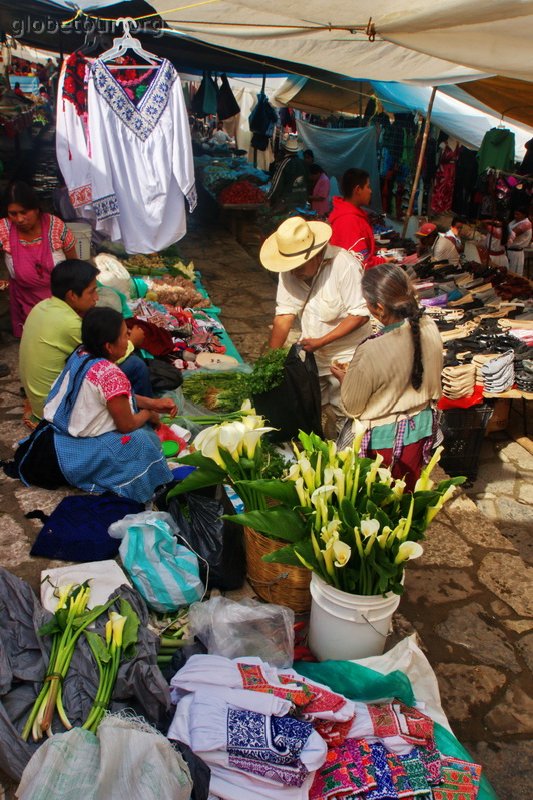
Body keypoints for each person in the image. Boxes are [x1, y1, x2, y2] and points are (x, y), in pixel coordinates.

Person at [17, 308, 175, 502]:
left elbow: (119, 399)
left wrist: (153, 403)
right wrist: (149, 412)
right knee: (142, 441)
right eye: (125, 335)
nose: (128, 339)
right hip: (74, 449)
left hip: (55, 434)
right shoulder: (110, 374)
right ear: (109, 346)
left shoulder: (82, 353)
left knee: (141, 431)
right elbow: (126, 425)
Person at [332, 264, 443, 490]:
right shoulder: (429, 325)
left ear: (380, 307)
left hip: (384, 444)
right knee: (405, 497)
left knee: (379, 506)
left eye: (368, 303)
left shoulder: (372, 350)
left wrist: (345, 379)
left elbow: (352, 407)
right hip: (420, 430)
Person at [261, 216, 370, 430]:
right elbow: (284, 315)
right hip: (314, 356)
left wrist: (323, 340)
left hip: (347, 355)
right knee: (311, 409)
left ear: (317, 255)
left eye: (299, 266)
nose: (293, 272)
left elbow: (360, 314)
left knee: (346, 413)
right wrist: (269, 362)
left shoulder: (344, 265)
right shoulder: (289, 271)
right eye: (290, 266)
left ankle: (344, 454)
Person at [20, 260, 154, 422]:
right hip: (54, 408)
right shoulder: (70, 324)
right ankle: (141, 419)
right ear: (72, 295)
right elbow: (111, 355)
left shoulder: (41, 306)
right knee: (135, 365)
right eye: (91, 292)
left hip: (40, 399)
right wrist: (132, 341)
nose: (96, 298)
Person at [0, 182, 77, 336]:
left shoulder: (55, 226)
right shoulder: (4, 228)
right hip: (24, 301)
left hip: (59, 301)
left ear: (36, 209)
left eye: (24, 212)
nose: (19, 219)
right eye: (13, 214)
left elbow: (73, 264)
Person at [329, 168, 393, 269]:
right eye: (368, 187)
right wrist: (383, 261)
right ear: (358, 190)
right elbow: (360, 262)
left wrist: (377, 251)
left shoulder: (349, 213)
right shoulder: (349, 220)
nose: (371, 191)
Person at [268, 138, 308, 210]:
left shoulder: (284, 163)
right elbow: (307, 181)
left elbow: (277, 183)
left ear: (285, 150)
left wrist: (269, 197)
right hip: (302, 200)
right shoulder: (303, 163)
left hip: (286, 202)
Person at [506, 207, 532, 275]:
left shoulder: (526, 223)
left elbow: (511, 235)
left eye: (518, 214)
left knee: (512, 274)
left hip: (515, 253)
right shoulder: (514, 221)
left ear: (524, 215)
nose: (515, 216)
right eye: (515, 214)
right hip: (508, 250)